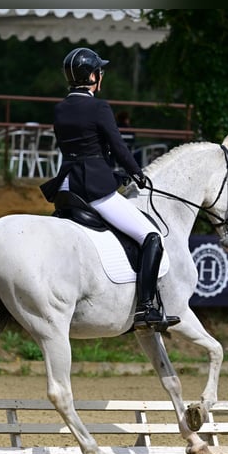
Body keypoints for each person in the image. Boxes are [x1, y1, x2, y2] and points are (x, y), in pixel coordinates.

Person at [40, 47, 179, 332]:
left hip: (67, 186)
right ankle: (147, 307)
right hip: (93, 190)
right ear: (92, 76)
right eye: (99, 72)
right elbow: (117, 146)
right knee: (151, 236)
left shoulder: (60, 108)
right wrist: (137, 174)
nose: (100, 76)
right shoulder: (99, 107)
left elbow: (82, 148)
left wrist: (110, 170)